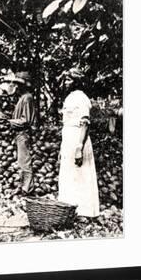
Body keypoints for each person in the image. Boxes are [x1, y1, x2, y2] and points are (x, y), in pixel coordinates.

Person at [57, 67, 100, 218]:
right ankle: (70, 209)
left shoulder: (81, 98)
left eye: (69, 80)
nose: (66, 83)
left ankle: (84, 212)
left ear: (77, 82)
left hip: (77, 138)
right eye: (66, 80)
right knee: (70, 174)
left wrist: (79, 147)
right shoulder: (70, 97)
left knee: (80, 175)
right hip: (68, 138)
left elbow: (85, 124)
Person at [3, 71, 37, 194]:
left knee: (24, 162)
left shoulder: (27, 98)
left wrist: (9, 122)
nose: (16, 86)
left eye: (18, 84)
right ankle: (24, 186)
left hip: (23, 133)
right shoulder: (22, 98)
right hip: (19, 134)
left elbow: (26, 120)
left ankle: (28, 189)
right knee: (21, 161)